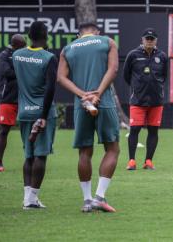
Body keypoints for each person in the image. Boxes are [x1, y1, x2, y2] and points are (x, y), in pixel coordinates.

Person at [57, 22, 120, 212]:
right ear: (97, 31)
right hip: (104, 101)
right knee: (113, 149)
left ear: (79, 34)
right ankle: (99, 197)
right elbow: (113, 69)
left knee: (84, 152)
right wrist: (98, 93)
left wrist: (82, 95)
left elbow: (61, 78)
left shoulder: (68, 49)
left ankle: (86, 200)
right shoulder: (107, 41)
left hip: (81, 104)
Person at [12, 22, 57, 209]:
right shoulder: (49, 57)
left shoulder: (16, 55)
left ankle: (27, 198)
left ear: (29, 36)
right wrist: (44, 116)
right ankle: (32, 199)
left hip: (24, 112)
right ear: (46, 35)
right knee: (41, 155)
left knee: (28, 155)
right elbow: (50, 89)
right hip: (42, 111)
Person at [123, 28, 168, 170]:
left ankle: (148, 161)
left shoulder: (162, 56)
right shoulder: (133, 55)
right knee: (135, 129)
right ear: (142, 40)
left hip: (156, 101)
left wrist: (156, 87)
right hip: (138, 100)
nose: (149, 41)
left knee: (153, 131)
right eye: (147, 38)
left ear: (156, 41)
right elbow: (126, 75)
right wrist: (137, 88)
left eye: (152, 39)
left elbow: (164, 76)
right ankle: (131, 161)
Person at [0, 34, 26, 172]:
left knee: (29, 130)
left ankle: (30, 159)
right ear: (15, 44)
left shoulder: (25, 54)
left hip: (25, 98)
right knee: (3, 131)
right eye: (22, 45)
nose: (25, 47)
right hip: (8, 98)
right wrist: (23, 70)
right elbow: (6, 72)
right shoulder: (4, 55)